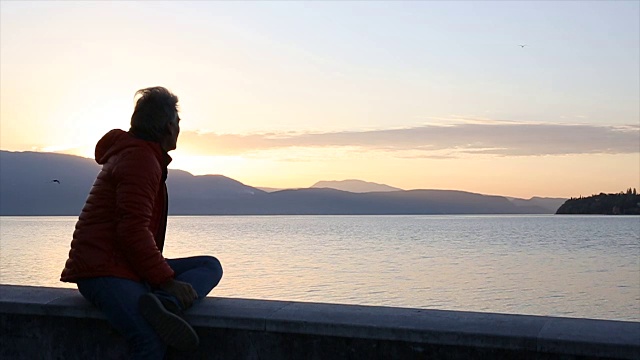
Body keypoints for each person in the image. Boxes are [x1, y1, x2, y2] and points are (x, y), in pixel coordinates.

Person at [60, 86, 223, 359]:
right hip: (103, 271)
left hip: (125, 265)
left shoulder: (141, 156)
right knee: (149, 340)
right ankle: (161, 305)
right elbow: (132, 230)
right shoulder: (141, 160)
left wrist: (162, 281)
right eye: (178, 122)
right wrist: (167, 281)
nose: (180, 128)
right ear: (168, 127)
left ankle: (162, 306)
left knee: (208, 266)